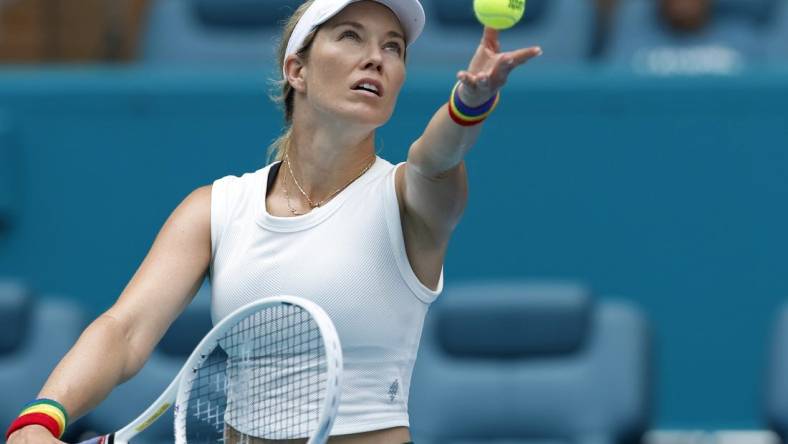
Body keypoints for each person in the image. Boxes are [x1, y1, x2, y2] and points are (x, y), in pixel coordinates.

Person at [5, 0, 541, 442]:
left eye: (392, 47)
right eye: (351, 36)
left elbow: (437, 157)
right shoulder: (216, 209)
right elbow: (123, 331)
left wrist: (470, 101)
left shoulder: (409, 199)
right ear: (296, 69)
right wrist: (44, 416)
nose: (375, 57)